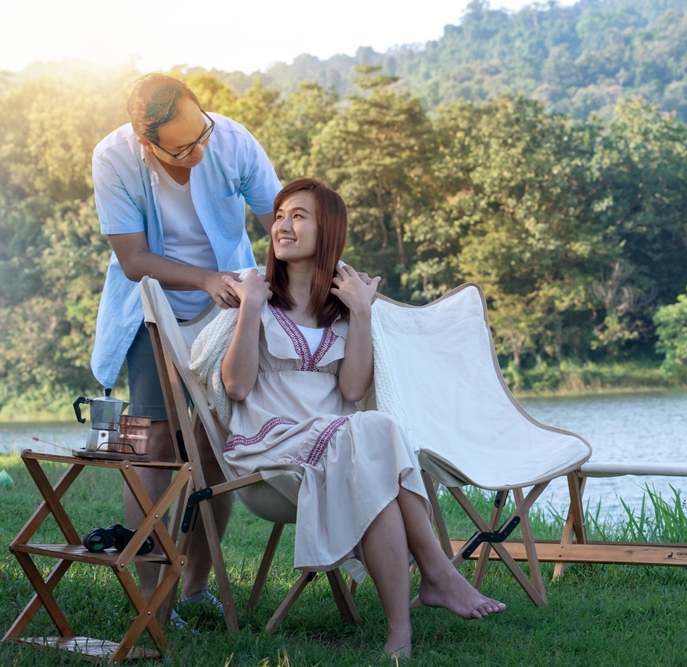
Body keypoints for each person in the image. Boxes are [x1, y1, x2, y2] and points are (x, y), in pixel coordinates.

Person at [218, 178, 505, 658]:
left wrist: (362, 313)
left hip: (339, 448)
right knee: (376, 431)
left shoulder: (343, 308)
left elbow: (352, 390)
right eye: (280, 215)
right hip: (270, 449)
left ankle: (400, 632)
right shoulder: (255, 293)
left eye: (298, 216)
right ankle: (437, 572)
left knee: (373, 470)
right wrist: (250, 306)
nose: (282, 225)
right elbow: (236, 386)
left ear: (327, 230)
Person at [90, 73, 282, 621]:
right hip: (151, 307)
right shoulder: (113, 158)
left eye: (202, 134)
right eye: (182, 148)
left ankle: (195, 588)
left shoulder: (233, 141)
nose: (199, 151)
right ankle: (153, 599)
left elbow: (283, 224)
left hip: (228, 307)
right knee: (151, 443)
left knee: (215, 443)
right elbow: (133, 260)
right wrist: (202, 279)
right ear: (146, 142)